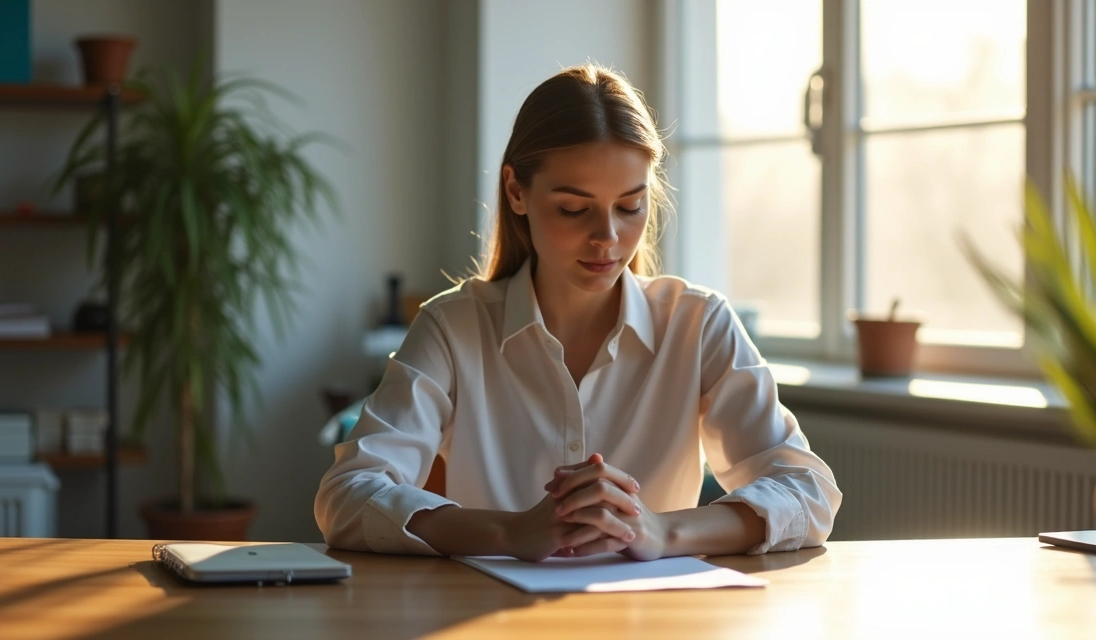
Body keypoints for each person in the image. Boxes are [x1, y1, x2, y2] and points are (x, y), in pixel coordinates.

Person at [314, 64, 841, 561]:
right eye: (573, 208)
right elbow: (347, 494)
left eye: (630, 206)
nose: (608, 238)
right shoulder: (453, 329)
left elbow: (809, 491)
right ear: (517, 191)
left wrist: (662, 531)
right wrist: (510, 531)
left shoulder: (698, 324)